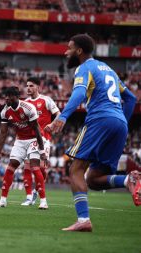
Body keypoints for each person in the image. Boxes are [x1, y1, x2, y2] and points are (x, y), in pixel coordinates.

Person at [48, 34, 139, 232]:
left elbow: (79, 92)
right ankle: (128, 180)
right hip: (120, 124)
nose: (66, 52)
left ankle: (83, 220)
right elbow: (131, 99)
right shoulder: (109, 70)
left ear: (79, 51)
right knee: (93, 180)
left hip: (99, 120)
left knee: (75, 170)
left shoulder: (85, 67)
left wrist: (63, 116)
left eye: (69, 48)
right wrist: (120, 120)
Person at [0, 86, 48, 209]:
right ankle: (3, 200)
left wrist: (42, 151)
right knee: (11, 166)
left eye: (9, 96)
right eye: (6, 96)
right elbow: (3, 133)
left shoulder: (28, 108)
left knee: (35, 167)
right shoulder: (5, 111)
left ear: (16, 97)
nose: (6, 98)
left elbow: (37, 130)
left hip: (34, 139)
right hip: (20, 140)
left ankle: (43, 201)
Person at [20, 77, 60, 206]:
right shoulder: (25, 102)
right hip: (29, 139)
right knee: (27, 167)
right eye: (27, 86)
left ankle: (37, 191)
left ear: (38, 87)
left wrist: (52, 125)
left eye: (31, 86)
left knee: (41, 169)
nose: (28, 88)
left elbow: (58, 114)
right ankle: (28, 197)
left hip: (44, 139)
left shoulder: (46, 100)